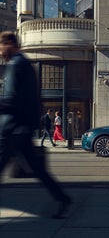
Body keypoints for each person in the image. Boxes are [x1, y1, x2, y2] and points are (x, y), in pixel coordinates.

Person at [0, 31, 71, 218]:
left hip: (12, 129)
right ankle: (62, 198)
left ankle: (62, 198)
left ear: (10, 44)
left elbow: (12, 100)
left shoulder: (16, 65)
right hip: (22, 128)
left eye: (1, 46)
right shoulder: (25, 64)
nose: (0, 51)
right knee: (38, 170)